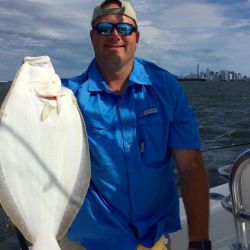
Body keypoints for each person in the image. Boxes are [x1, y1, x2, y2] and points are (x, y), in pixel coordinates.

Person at [60, 0, 210, 249]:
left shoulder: (167, 88)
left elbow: (190, 165)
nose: (115, 35)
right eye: (104, 28)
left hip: (150, 240)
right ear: (92, 37)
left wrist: (199, 241)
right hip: (88, 241)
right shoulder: (67, 98)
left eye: (125, 29)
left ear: (136, 37)